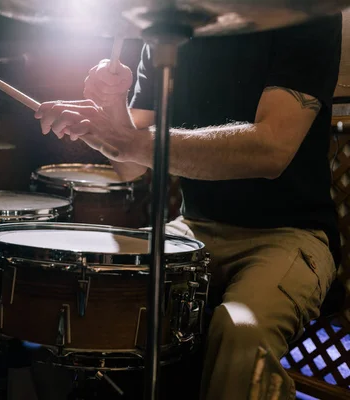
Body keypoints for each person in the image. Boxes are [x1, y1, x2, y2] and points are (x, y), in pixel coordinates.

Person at [34, 13, 343, 400]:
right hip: (194, 227)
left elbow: (270, 150)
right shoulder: (170, 25)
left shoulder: (302, 12)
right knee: (97, 285)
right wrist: (113, 108)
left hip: (289, 233)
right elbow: (130, 164)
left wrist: (130, 141)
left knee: (241, 330)